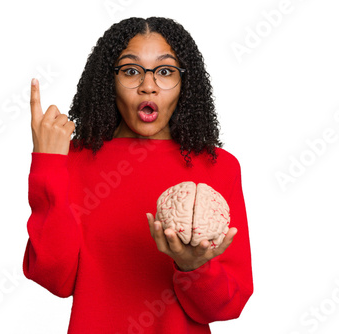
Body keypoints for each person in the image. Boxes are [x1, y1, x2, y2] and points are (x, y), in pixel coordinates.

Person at [23, 17, 253, 333]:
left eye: (165, 71)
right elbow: (55, 278)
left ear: (185, 83)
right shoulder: (74, 158)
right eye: (131, 71)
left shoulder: (218, 166)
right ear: (109, 81)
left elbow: (227, 306)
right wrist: (47, 163)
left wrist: (192, 266)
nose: (148, 85)